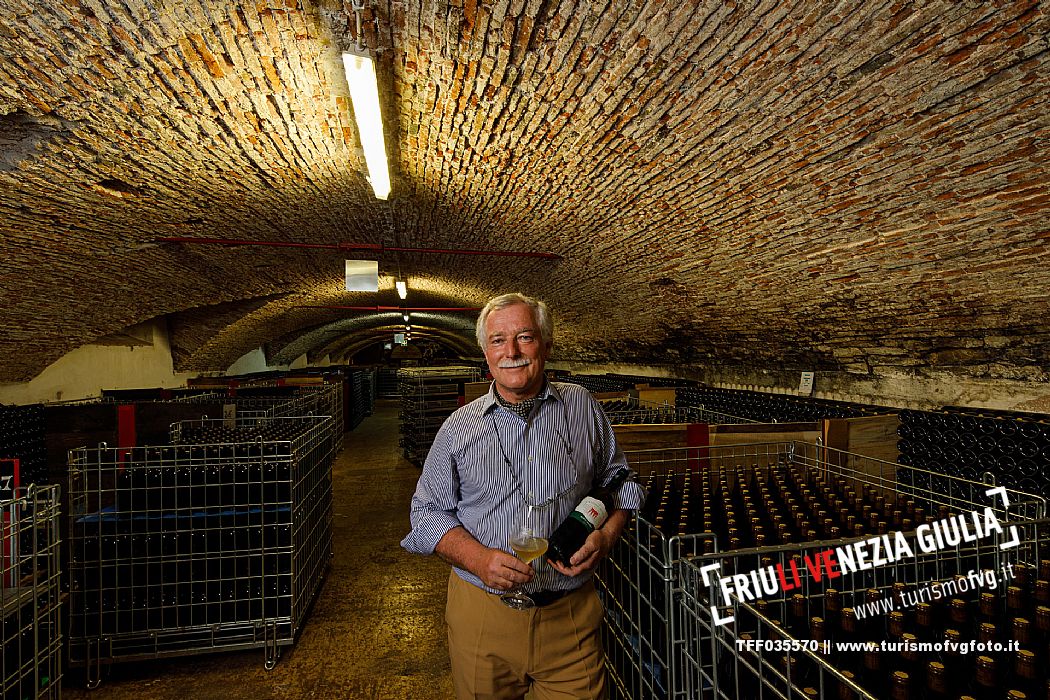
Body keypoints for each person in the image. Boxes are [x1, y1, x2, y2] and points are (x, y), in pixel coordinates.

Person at [401, 292, 645, 700]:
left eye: (524, 337)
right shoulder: (458, 428)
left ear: (546, 346)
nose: (511, 352)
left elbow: (621, 482)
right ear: (485, 352)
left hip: (570, 615)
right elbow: (426, 513)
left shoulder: (582, 407)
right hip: (483, 616)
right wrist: (478, 560)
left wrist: (607, 536)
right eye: (498, 340)